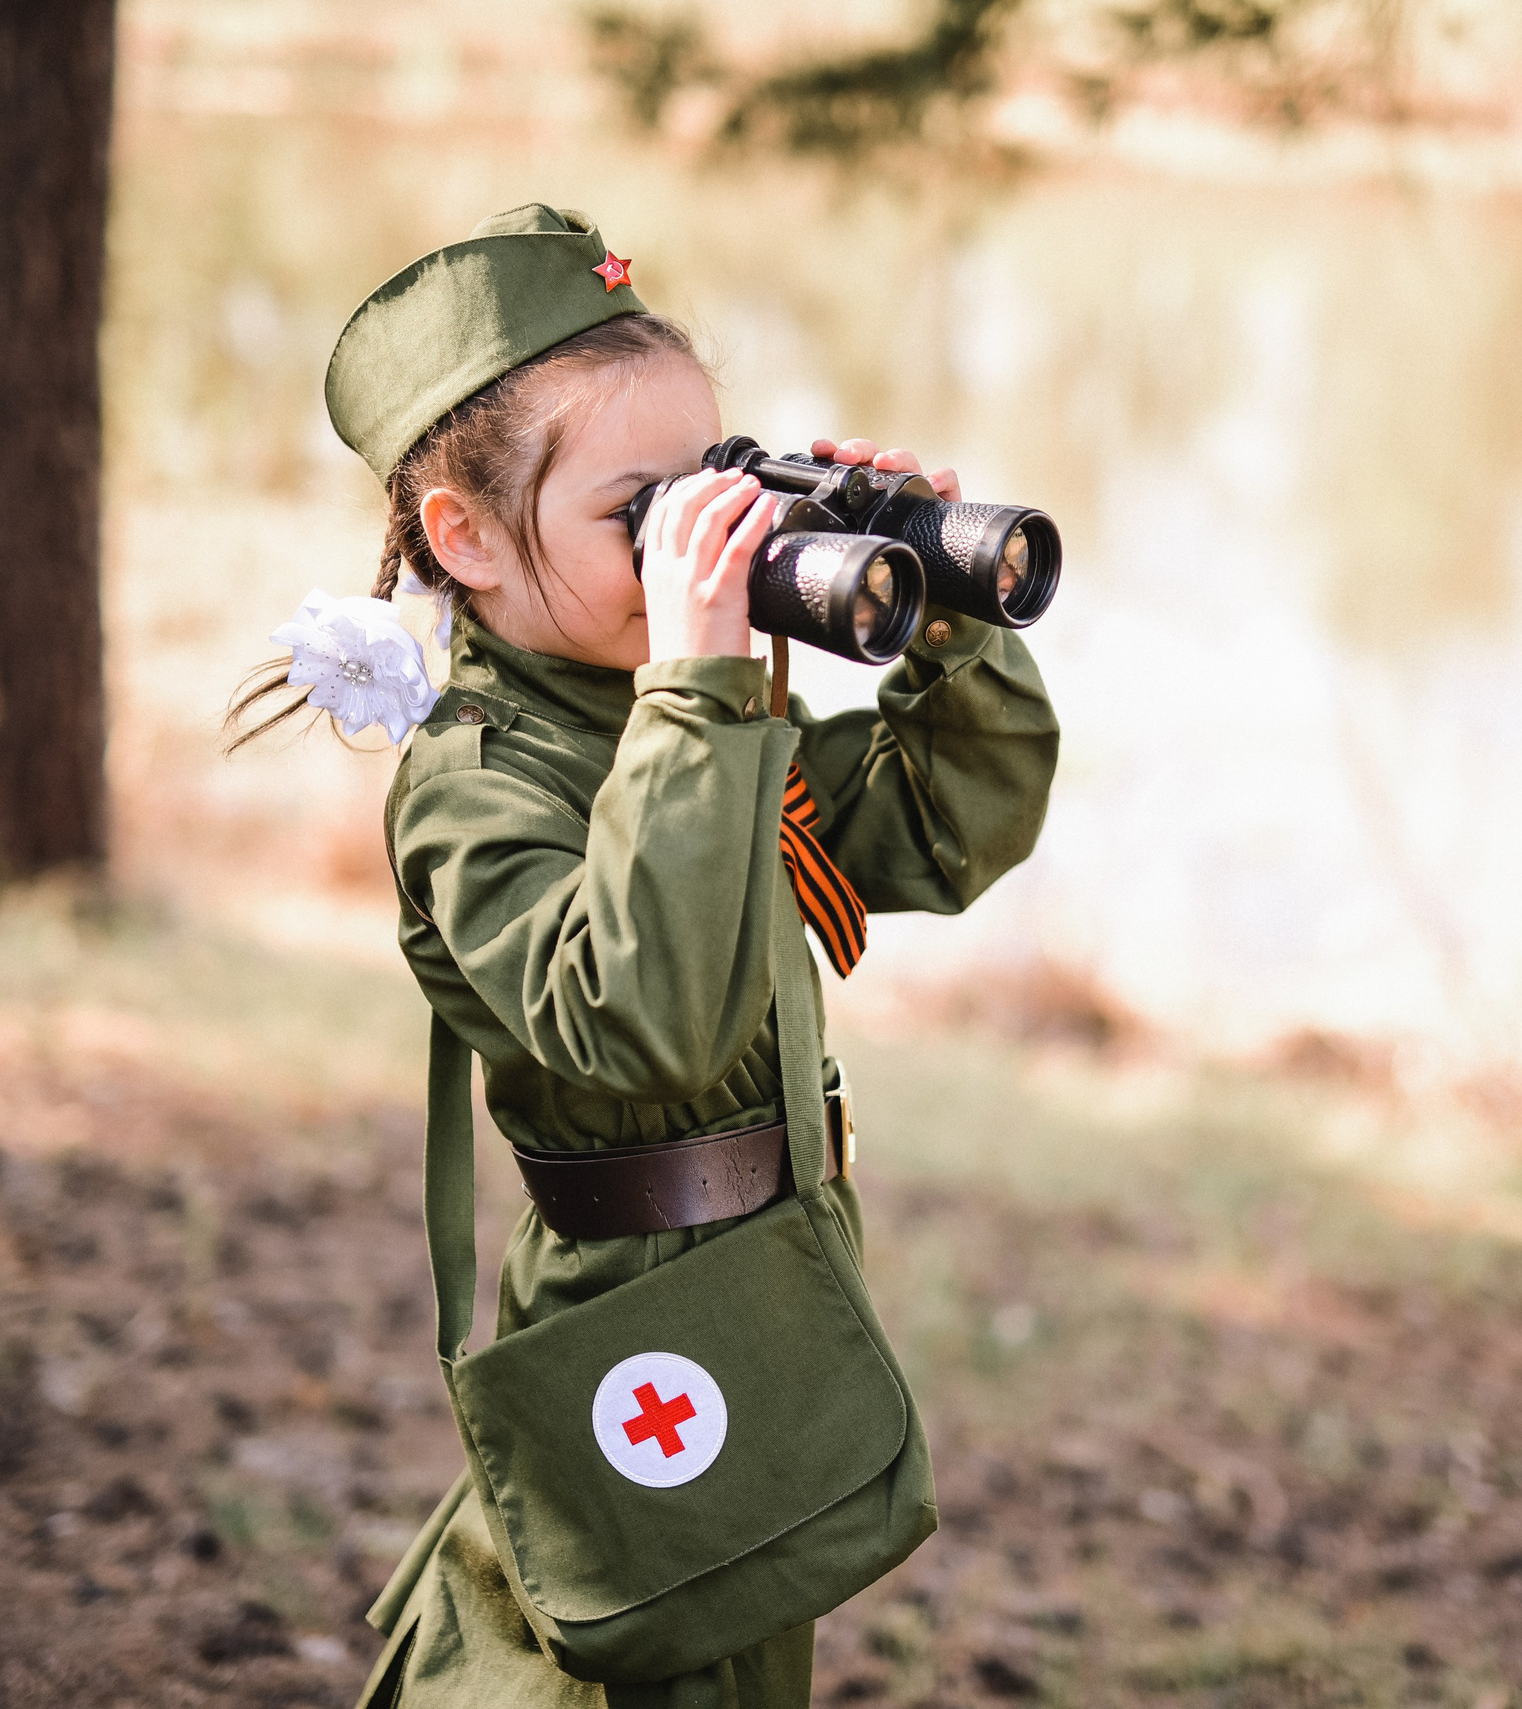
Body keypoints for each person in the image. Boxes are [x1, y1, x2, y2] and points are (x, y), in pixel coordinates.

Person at [233, 205, 1058, 1708]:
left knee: (733, 1645)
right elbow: (639, 1021)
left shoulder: (682, 711)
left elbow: (951, 825)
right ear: (466, 537)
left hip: (773, 1274)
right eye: (644, 518)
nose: (699, 552)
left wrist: (946, 626)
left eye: (714, 495)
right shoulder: (477, 775)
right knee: (613, 1650)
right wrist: (698, 686)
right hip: (638, 1313)